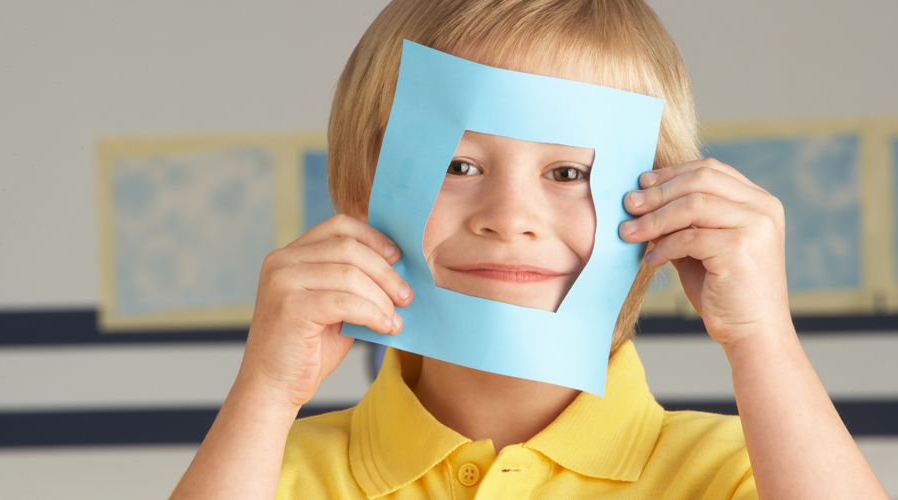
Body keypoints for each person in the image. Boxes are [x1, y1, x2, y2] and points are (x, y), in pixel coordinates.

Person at [171, 0, 888, 498]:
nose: (508, 218)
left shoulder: (744, 471)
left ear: (668, 206)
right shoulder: (266, 472)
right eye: (458, 166)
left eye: (568, 173)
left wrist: (761, 339)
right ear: (361, 188)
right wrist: (264, 395)